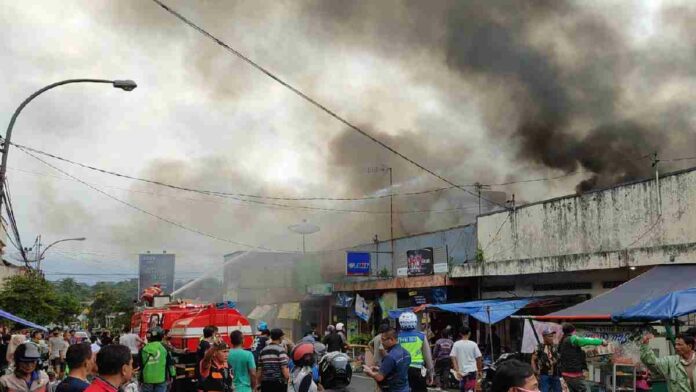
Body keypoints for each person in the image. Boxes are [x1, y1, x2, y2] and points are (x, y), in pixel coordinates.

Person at [558, 323, 607, 392]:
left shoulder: (563, 340)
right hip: (573, 374)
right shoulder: (571, 338)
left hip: (566, 373)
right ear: (573, 331)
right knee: (583, 390)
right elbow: (585, 340)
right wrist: (601, 341)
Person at [363, 327, 410, 392]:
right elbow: (397, 369)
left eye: (383, 340)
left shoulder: (390, 357)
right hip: (405, 388)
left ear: (391, 339)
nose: (381, 342)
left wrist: (369, 372)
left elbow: (379, 377)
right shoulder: (406, 353)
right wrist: (379, 368)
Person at [397, 312, 434, 392]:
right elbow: (427, 356)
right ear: (415, 322)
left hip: (400, 369)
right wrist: (430, 373)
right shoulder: (421, 336)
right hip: (417, 370)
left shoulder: (396, 337)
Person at [139, 327, 175, 392]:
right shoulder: (164, 348)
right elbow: (170, 364)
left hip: (147, 379)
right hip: (161, 379)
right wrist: (173, 375)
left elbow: (140, 365)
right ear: (161, 336)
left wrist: (139, 378)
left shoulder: (143, 349)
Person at [450, 325, 482, 392]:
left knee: (463, 389)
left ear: (460, 334)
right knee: (471, 389)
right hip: (472, 370)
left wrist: (457, 370)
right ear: (469, 333)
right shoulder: (473, 344)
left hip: (461, 371)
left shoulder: (456, 344)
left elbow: (453, 357)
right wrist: (479, 370)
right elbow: (479, 358)